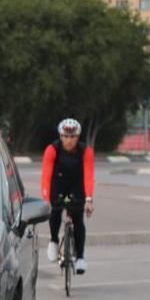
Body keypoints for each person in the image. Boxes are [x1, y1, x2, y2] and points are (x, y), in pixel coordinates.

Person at [41, 117, 95, 274]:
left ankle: (80, 257)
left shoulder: (86, 151)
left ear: (78, 137)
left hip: (76, 185)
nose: (69, 140)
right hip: (58, 183)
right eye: (65, 136)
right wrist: (46, 200)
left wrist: (89, 200)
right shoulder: (52, 150)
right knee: (55, 211)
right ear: (60, 136)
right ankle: (53, 240)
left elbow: (89, 176)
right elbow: (46, 176)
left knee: (78, 219)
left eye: (72, 137)